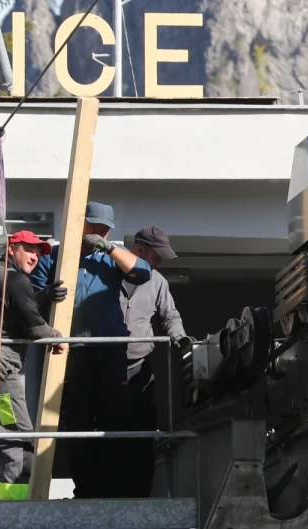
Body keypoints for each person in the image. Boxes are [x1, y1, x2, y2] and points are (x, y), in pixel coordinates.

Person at [31, 201, 151, 498]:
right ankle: (85, 490)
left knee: (114, 418)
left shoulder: (110, 257)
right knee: (77, 421)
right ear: (79, 223)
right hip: (69, 352)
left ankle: (113, 490)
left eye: (104, 230)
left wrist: (108, 247)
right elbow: (29, 299)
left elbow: (143, 272)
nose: (98, 233)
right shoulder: (54, 256)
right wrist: (45, 294)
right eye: (93, 227)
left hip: (109, 351)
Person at [0, 230, 64, 512]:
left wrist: (42, 296)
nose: (34, 257)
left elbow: (5, 310)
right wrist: (57, 337)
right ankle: (12, 511)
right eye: (29, 250)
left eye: (38, 253)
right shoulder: (17, 280)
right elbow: (35, 328)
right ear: (11, 249)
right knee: (17, 437)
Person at [115, 226, 190, 497]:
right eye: (156, 256)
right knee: (105, 436)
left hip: (140, 369)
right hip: (103, 369)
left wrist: (179, 337)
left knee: (142, 435)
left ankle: (140, 497)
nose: (159, 263)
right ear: (139, 250)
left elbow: (170, 316)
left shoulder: (157, 281)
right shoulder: (107, 273)